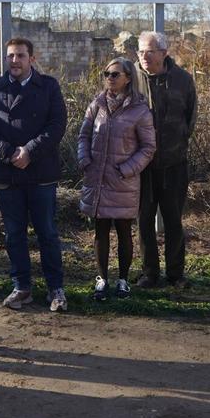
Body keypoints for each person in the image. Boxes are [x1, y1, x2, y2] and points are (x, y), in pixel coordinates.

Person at [0, 38, 68, 312]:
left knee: (48, 233)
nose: (14, 61)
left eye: (20, 56)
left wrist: (29, 151)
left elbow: (57, 124)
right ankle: (22, 287)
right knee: (14, 234)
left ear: (32, 58)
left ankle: (56, 288)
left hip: (41, 172)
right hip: (7, 174)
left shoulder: (49, 86)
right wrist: (8, 152)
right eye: (10, 56)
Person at [77, 57, 156, 300]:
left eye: (115, 74)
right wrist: (85, 161)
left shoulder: (140, 111)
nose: (109, 78)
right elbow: (83, 136)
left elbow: (148, 148)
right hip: (97, 178)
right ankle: (101, 279)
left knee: (123, 231)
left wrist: (127, 169)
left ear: (128, 78)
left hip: (122, 181)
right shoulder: (97, 105)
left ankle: (123, 280)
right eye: (106, 73)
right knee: (100, 231)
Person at [135, 31, 197, 289]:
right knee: (144, 220)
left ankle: (175, 274)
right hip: (141, 165)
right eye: (140, 51)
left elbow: (190, 117)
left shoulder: (183, 80)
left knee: (173, 220)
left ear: (164, 52)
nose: (144, 56)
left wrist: (177, 142)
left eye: (150, 51)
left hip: (173, 163)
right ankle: (149, 273)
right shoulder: (131, 78)